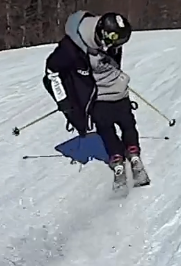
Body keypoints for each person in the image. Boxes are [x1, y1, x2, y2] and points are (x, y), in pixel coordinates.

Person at [42, 10, 149, 190]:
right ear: (102, 34)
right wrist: (64, 101)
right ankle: (116, 158)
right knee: (106, 129)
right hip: (97, 97)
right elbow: (52, 72)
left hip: (119, 92)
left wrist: (119, 81)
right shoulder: (71, 47)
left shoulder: (112, 38)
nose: (116, 47)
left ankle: (133, 153)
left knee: (128, 123)